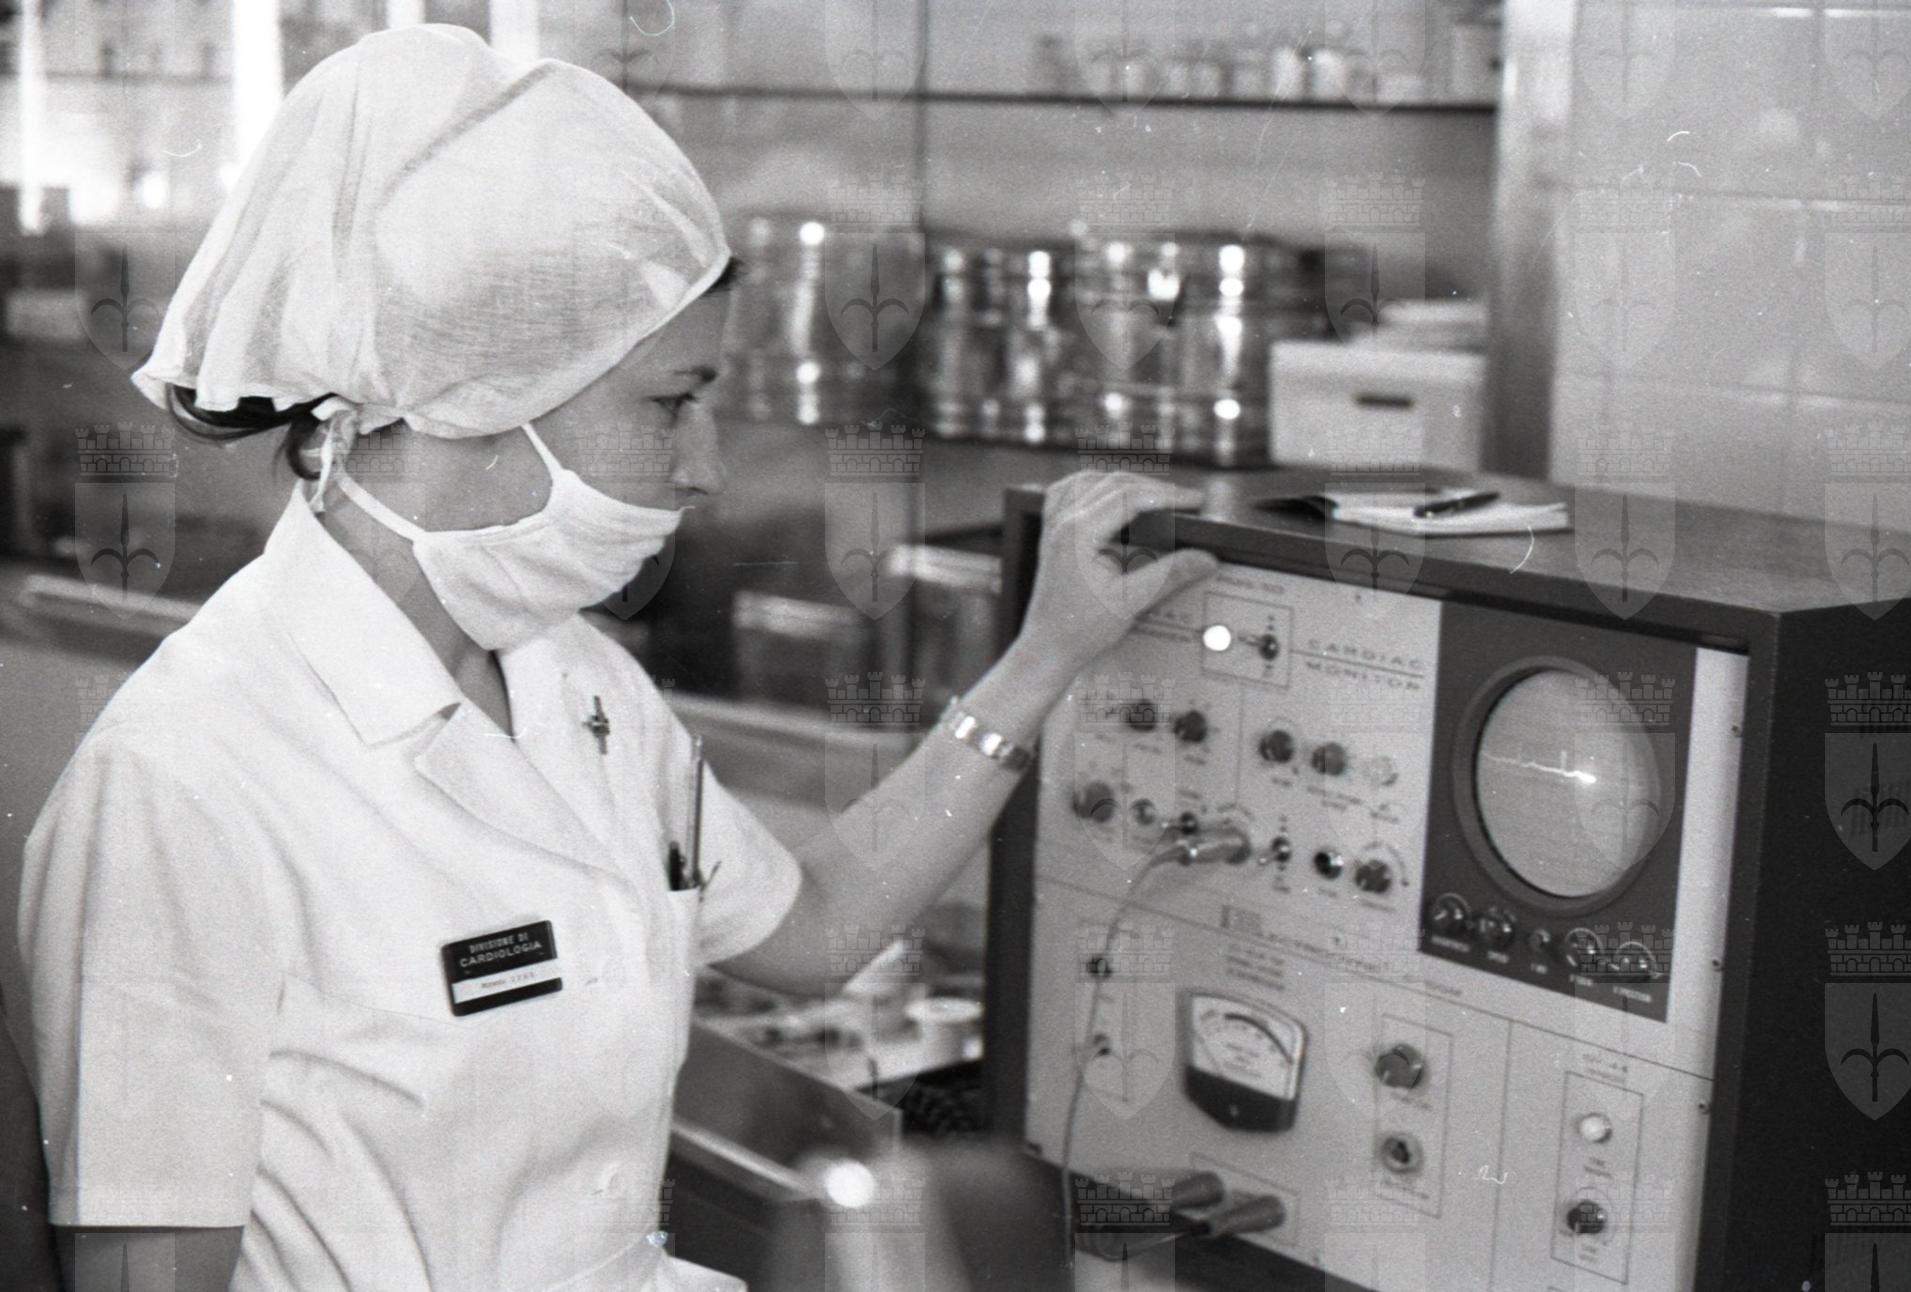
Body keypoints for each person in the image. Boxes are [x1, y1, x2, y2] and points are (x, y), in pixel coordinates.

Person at [13, 25, 1217, 1292]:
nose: (706, 464)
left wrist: (1042, 657)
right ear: (476, 395)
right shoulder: (184, 782)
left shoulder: (574, 679)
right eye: (669, 401)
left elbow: (813, 926)